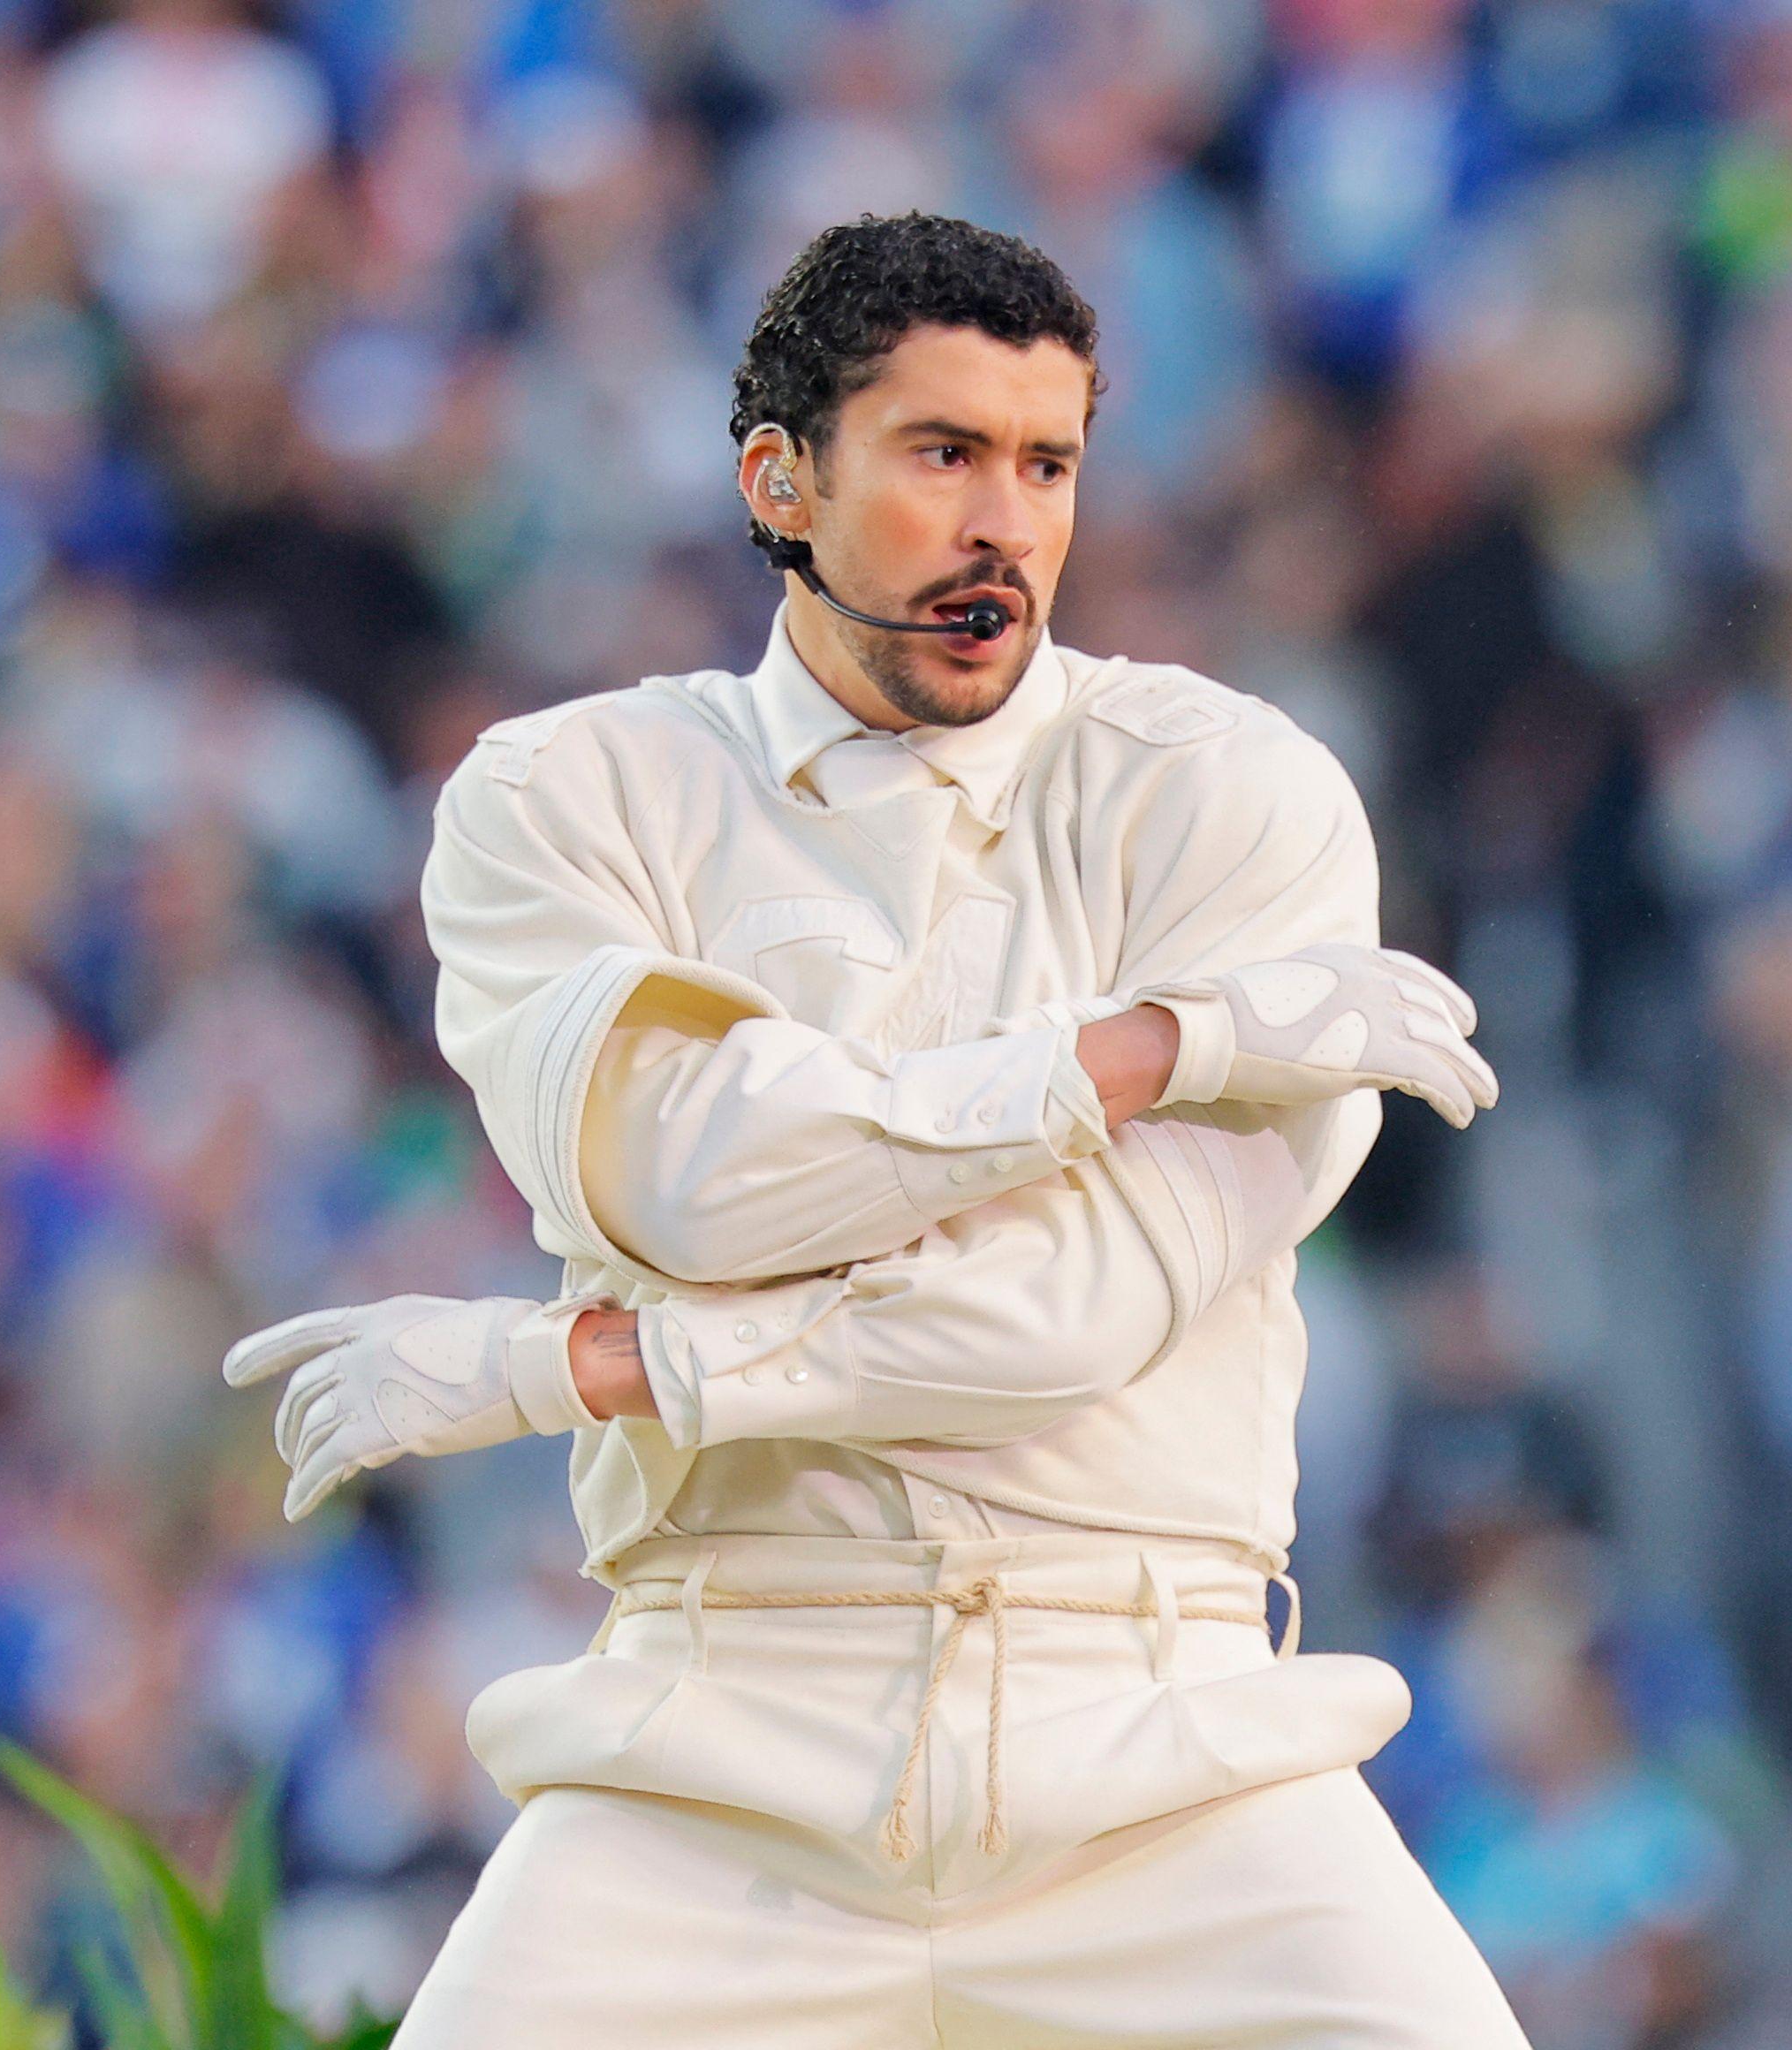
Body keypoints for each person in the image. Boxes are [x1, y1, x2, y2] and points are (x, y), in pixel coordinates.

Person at [222, 210, 1529, 2047]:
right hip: (722, 1729)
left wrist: (574, 1363)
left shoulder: (1232, 791)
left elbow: (1065, 1311)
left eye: (1046, 463)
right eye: (941, 453)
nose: (1006, 522)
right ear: (780, 479)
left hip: (1160, 1733)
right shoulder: (570, 793)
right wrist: (1142, 1049)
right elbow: (698, 1170)